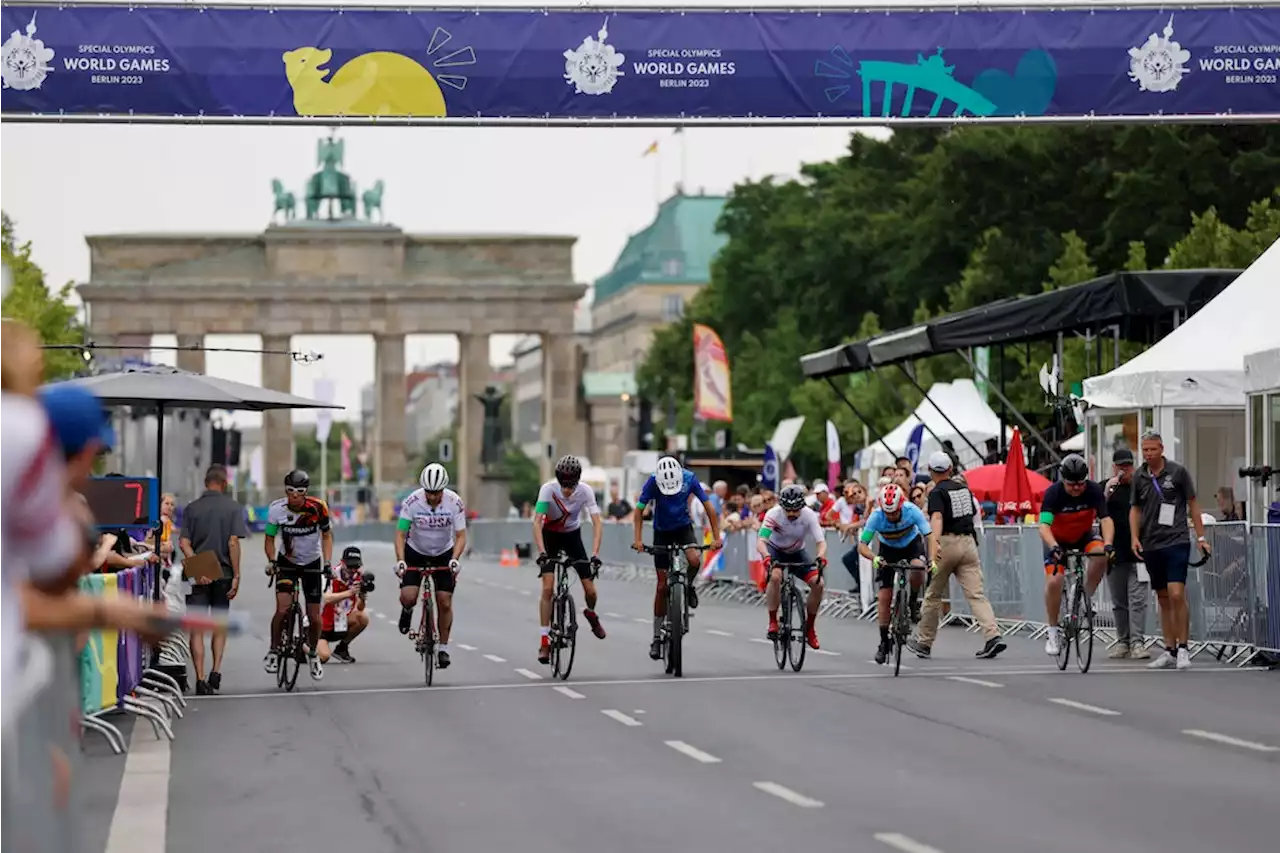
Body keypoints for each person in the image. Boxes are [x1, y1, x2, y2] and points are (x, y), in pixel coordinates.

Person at [910, 452, 1007, 660]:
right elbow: (973, 514)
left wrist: (933, 545)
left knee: (933, 594)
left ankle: (924, 642)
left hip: (947, 542)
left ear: (931, 471)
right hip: (968, 543)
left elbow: (937, 517)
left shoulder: (937, 492)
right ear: (950, 469)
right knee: (976, 594)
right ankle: (993, 635)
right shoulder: (964, 489)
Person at [1129, 430, 1210, 670]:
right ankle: (1169, 649)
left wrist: (1201, 536)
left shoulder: (1178, 472)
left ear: (1161, 449)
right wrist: (1134, 537)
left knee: (1177, 594)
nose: (1148, 454)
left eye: (1153, 449)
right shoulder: (1139, 476)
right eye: (1145, 450)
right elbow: (1135, 509)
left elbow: (1193, 503)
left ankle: (1184, 647)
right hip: (1151, 542)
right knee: (1163, 598)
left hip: (1176, 540)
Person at [631, 455, 722, 660]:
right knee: (662, 586)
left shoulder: (689, 478)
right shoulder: (653, 481)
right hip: (661, 530)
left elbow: (709, 508)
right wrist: (637, 539)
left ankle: (688, 586)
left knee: (694, 560)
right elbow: (638, 512)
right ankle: (656, 637)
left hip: (683, 527)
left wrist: (717, 537)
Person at [1038, 453, 1115, 657]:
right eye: (1071, 484)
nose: (1076, 488)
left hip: (1084, 536)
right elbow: (1044, 526)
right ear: (1063, 479)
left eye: (1080, 484)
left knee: (1101, 556)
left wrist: (1108, 544)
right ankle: (1053, 630)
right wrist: (1053, 546)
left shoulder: (1093, 491)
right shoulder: (1053, 494)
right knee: (1055, 581)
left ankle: (1083, 598)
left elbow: (1105, 519)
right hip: (1057, 540)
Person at [532, 455, 604, 664]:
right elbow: (537, 522)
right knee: (547, 588)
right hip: (550, 537)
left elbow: (597, 523)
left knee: (590, 590)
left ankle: (591, 614)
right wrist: (542, 552)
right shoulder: (548, 490)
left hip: (572, 536)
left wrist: (595, 554)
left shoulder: (585, 491)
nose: (567, 491)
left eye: (571, 487)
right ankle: (545, 641)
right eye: (564, 486)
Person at [394, 463, 467, 669]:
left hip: (443, 553)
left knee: (444, 601)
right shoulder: (412, 502)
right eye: (429, 493)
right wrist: (401, 560)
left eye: (436, 493)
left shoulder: (455, 502)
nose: (432, 497)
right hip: (415, 551)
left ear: (443, 489)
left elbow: (461, 535)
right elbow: (400, 533)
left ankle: (443, 648)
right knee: (408, 596)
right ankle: (407, 610)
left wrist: (455, 558)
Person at [264, 469, 332, 681]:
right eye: (290, 491)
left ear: (306, 492)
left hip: (312, 562)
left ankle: (312, 653)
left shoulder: (318, 507)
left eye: (299, 491)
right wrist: (272, 561)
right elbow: (269, 539)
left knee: (314, 617)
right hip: (287, 563)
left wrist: (328, 563)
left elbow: (327, 536)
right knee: (282, 609)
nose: (294, 495)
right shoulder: (276, 509)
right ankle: (274, 650)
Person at [858, 482, 931, 664]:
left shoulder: (912, 511)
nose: (890, 516)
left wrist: (933, 560)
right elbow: (862, 545)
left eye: (894, 512)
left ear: (901, 506)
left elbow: (929, 536)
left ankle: (913, 602)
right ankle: (883, 642)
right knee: (884, 596)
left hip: (911, 544)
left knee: (918, 568)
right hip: (888, 549)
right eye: (887, 513)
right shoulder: (876, 516)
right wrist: (874, 558)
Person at [758, 484, 827, 649]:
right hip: (775, 550)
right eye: (787, 510)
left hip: (797, 552)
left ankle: (810, 628)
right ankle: (773, 621)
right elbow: (761, 541)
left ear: (802, 507)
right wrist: (767, 557)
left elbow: (821, 542)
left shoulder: (809, 515)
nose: (791, 514)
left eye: (795, 510)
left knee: (819, 584)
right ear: (781, 506)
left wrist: (820, 557)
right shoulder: (773, 514)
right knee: (775, 577)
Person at [1102, 448, 1149, 660]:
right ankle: (1123, 640)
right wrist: (1106, 491)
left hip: (1139, 552)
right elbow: (1099, 514)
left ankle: (1138, 641)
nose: (1124, 470)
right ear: (1114, 467)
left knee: (1138, 599)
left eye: (1128, 466)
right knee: (1119, 600)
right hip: (1115, 552)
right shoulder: (1107, 488)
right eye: (1120, 466)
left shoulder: (1142, 486)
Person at [319, 546, 373, 664]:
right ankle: (302, 645)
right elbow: (326, 599)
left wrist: (362, 597)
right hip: (322, 625)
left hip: (340, 622)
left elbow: (359, 608)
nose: (353, 570)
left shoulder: (358, 577)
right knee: (323, 657)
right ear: (342, 563)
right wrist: (350, 592)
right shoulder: (330, 576)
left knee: (362, 618)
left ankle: (342, 648)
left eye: (356, 566)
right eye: (350, 566)